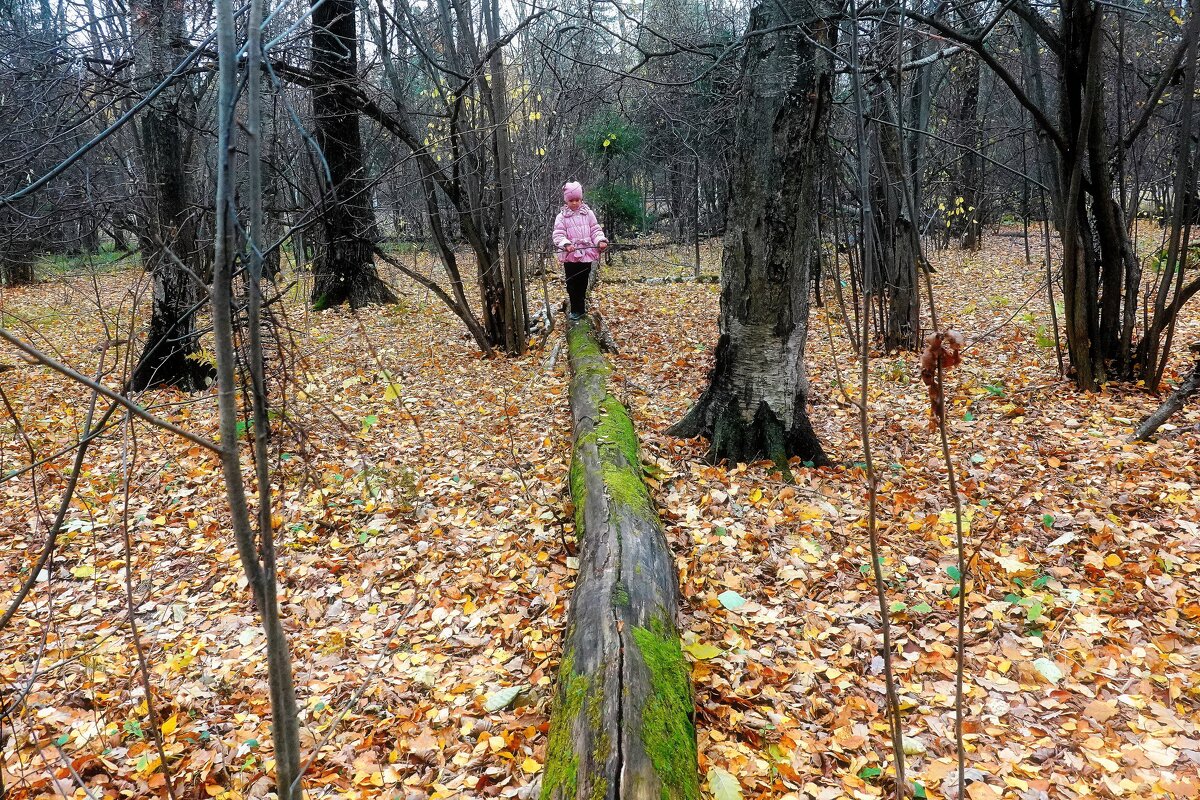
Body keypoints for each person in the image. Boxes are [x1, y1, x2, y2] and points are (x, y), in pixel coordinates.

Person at [552, 181, 608, 321]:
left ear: (581, 199)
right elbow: (558, 235)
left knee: (583, 282)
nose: (575, 203)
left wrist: (600, 241)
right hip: (570, 256)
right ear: (566, 200)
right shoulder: (562, 217)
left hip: (586, 255)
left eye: (577, 200)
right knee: (572, 283)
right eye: (571, 200)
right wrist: (566, 244)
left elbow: (595, 230)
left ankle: (580, 308)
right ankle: (574, 308)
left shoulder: (588, 213)